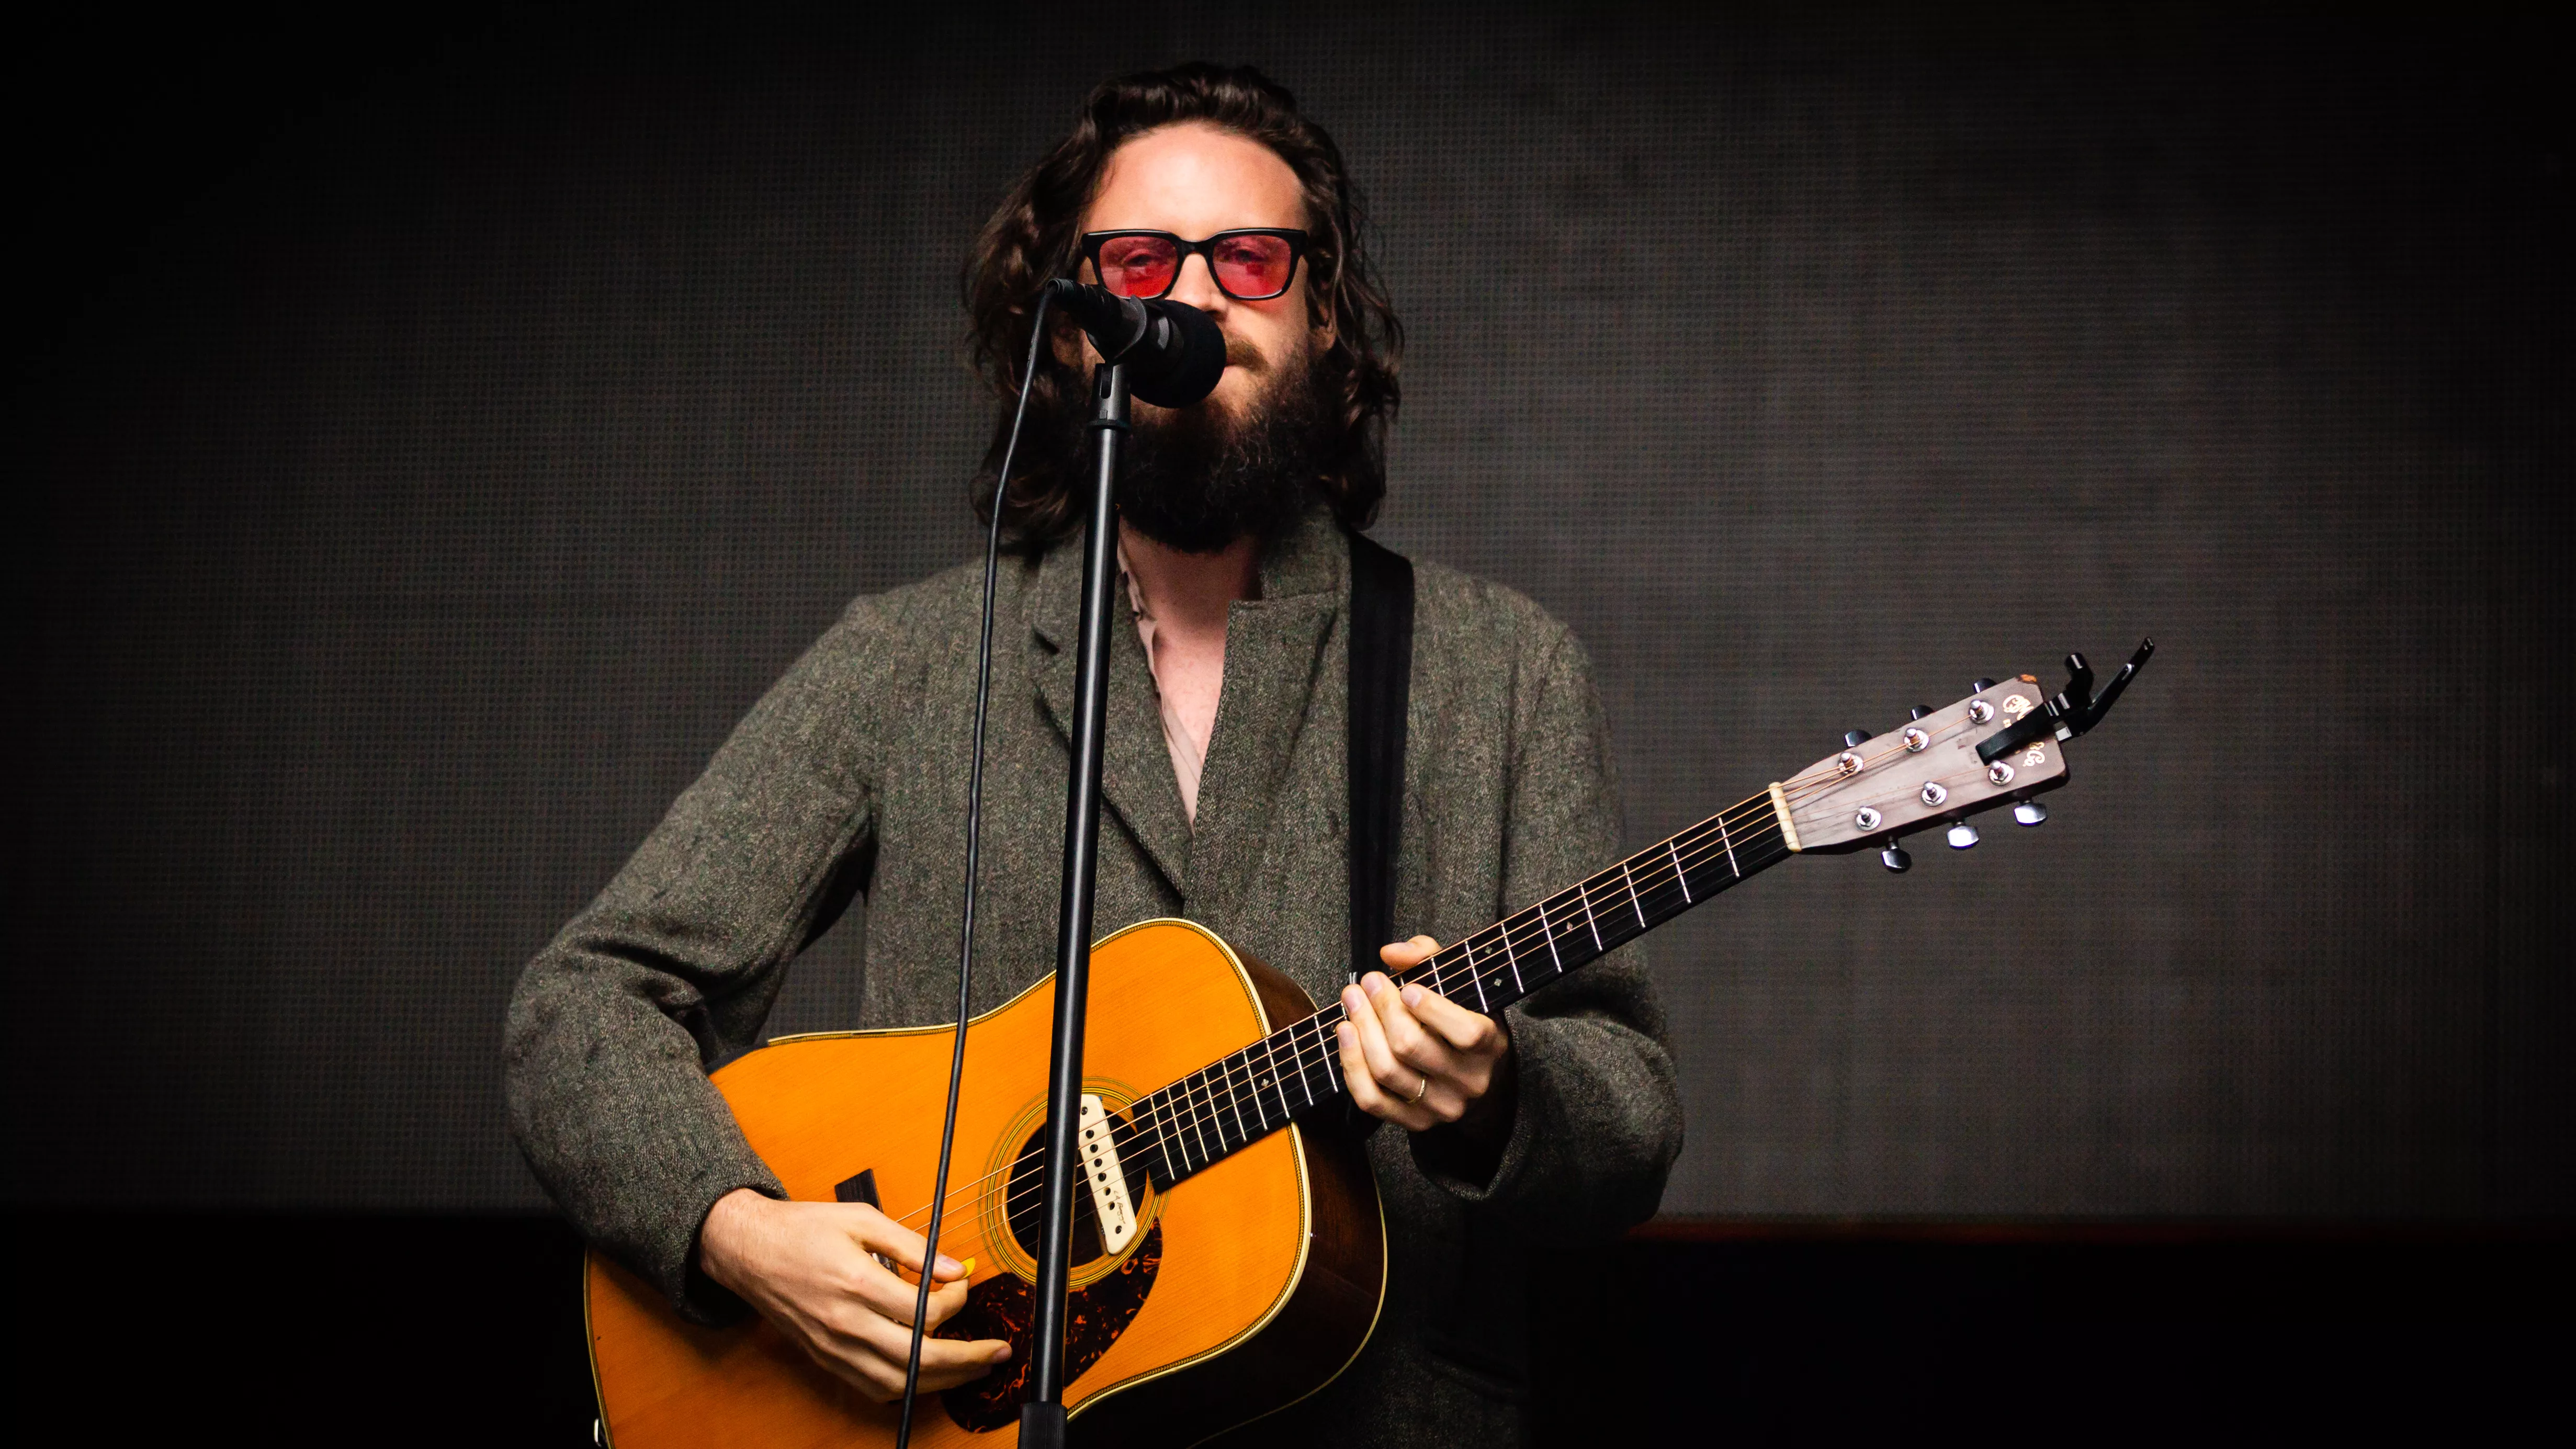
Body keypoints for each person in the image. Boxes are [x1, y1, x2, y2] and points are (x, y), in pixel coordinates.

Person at [503, 61, 1680, 1448]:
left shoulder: (1498, 668)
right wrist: (737, 1232)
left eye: (1248, 259)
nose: (1189, 300)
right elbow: (583, 1005)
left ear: (1319, 313)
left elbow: (1628, 1111)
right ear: (1064, 328)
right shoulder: (914, 660)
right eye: (1136, 260)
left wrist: (1492, 1098)